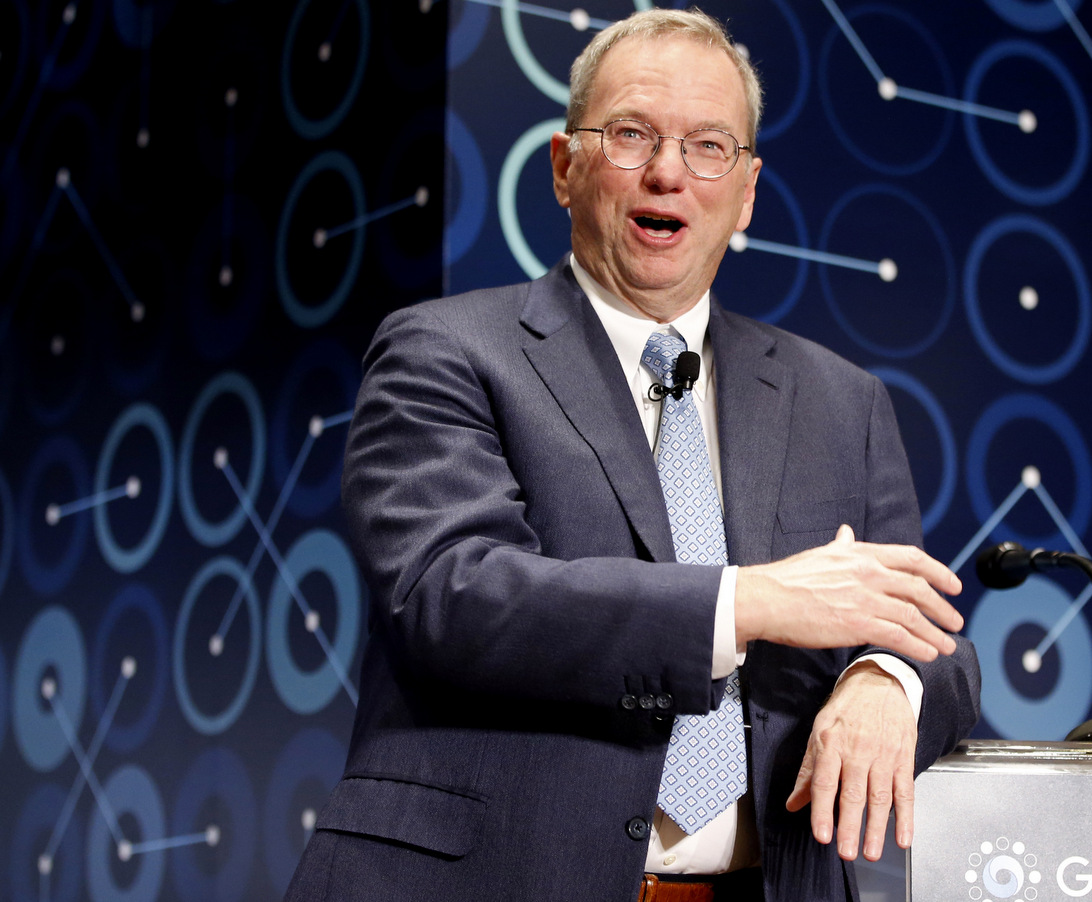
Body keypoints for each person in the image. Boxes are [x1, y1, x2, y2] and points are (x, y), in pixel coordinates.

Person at [285, 9, 979, 902]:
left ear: (748, 193)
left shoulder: (843, 401)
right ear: (566, 169)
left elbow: (933, 639)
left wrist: (885, 680)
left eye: (707, 146)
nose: (667, 172)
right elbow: (450, 592)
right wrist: (754, 600)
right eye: (630, 135)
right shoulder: (444, 349)